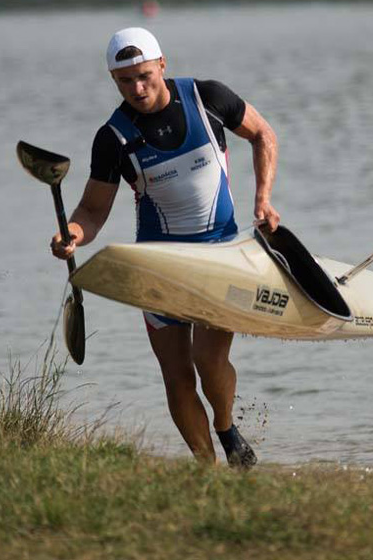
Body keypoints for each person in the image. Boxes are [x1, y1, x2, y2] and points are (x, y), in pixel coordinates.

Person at [51, 27, 279, 468]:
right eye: (124, 81)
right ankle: (207, 472)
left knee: (208, 362)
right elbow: (93, 210)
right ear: (113, 81)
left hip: (221, 258)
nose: (136, 88)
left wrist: (263, 198)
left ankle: (226, 427)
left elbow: (263, 135)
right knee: (177, 377)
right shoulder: (113, 138)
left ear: (162, 65)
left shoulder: (207, 98)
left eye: (143, 76)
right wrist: (73, 235)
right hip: (159, 270)